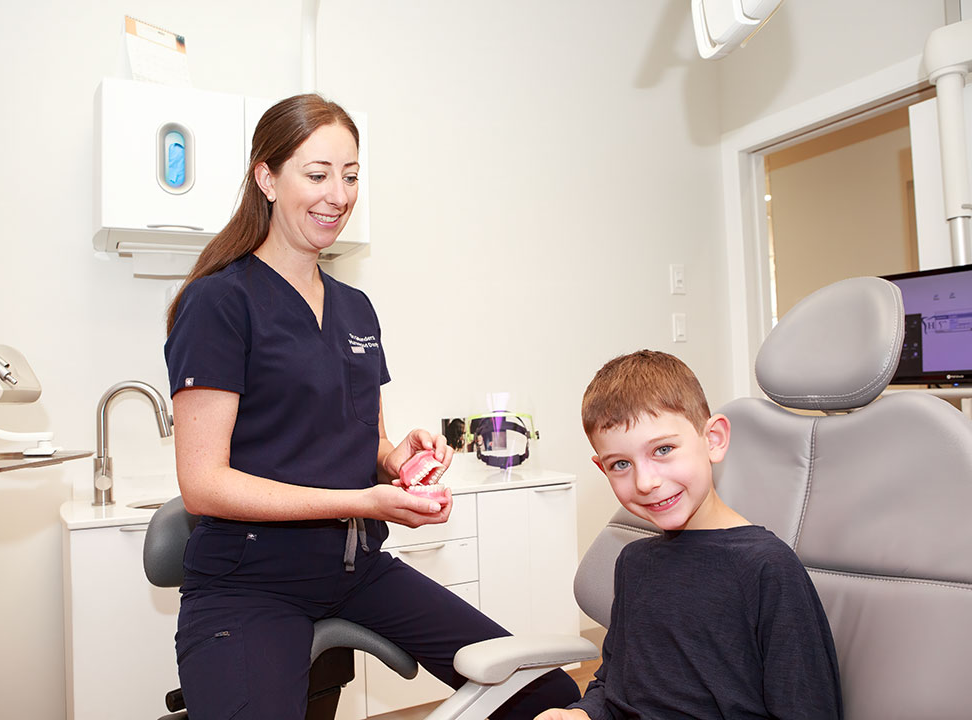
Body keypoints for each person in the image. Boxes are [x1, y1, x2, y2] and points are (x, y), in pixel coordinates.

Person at [163, 93, 580, 720]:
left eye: (351, 175)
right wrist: (363, 501)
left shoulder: (356, 308)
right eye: (317, 173)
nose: (338, 193)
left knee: (544, 694)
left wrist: (397, 459)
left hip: (355, 566)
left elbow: (365, 442)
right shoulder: (219, 302)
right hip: (247, 582)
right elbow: (203, 485)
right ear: (266, 178)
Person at [537, 350, 842, 720]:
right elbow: (614, 686)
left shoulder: (766, 568)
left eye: (663, 449)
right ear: (602, 469)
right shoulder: (634, 563)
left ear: (713, 439)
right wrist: (582, 714)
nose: (646, 481)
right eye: (621, 464)